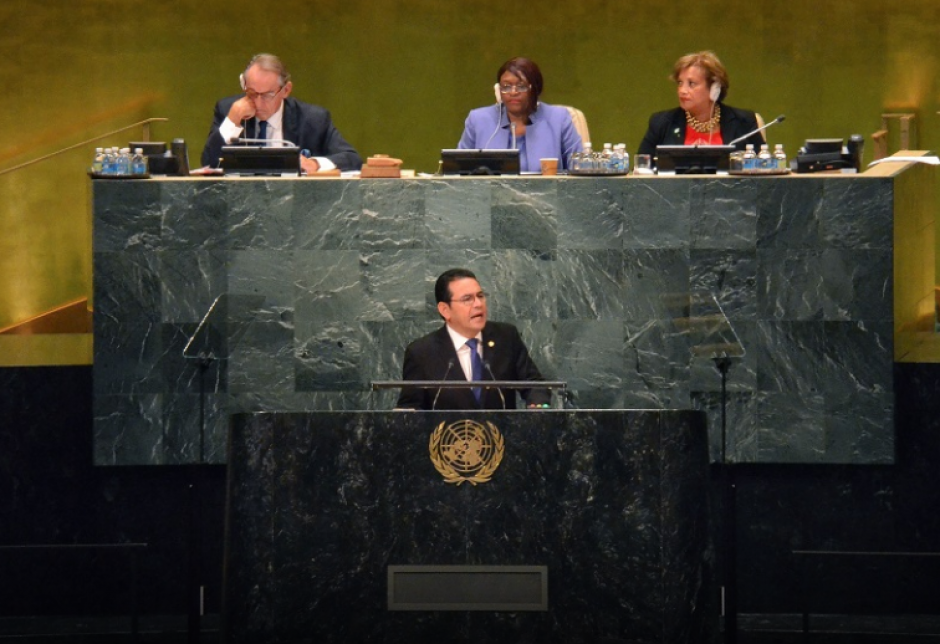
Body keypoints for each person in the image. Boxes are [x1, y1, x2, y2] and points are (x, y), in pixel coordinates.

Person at [396, 268, 551, 411]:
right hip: (450, 439)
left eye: (480, 296)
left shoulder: (506, 337)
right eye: (467, 299)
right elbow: (410, 410)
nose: (478, 304)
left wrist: (538, 407)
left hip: (500, 438)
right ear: (445, 310)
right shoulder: (421, 353)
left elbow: (534, 384)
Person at [200, 53, 362, 172]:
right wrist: (232, 121)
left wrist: (315, 164)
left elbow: (352, 159)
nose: (257, 102)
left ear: (286, 90)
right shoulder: (228, 110)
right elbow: (208, 162)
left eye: (267, 95)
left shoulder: (313, 119)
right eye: (251, 93)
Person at [458, 57, 583, 173]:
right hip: (490, 196)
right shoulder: (478, 120)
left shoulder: (559, 119)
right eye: (506, 87)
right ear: (498, 90)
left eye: (521, 86)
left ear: (535, 89)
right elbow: (458, 171)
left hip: (547, 195)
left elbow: (580, 169)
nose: (513, 92)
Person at [637, 51, 765, 156]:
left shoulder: (743, 122)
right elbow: (640, 171)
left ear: (715, 88)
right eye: (680, 83)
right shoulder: (662, 122)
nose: (682, 90)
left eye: (691, 84)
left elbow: (764, 172)